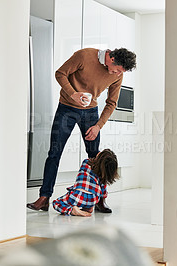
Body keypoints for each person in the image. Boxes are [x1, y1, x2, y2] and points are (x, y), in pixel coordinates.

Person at [27, 48, 136, 213]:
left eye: (121, 72)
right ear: (111, 58)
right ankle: (44, 198)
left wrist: (98, 125)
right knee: (54, 153)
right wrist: (73, 94)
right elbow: (60, 73)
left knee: (96, 157)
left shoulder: (118, 75)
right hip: (66, 109)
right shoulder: (84, 56)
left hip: (90, 114)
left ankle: (99, 199)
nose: (117, 74)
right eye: (117, 69)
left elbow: (111, 102)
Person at [52, 149, 119, 217]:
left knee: (56, 203)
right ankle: (88, 207)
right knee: (88, 193)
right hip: (93, 199)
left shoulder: (86, 162)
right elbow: (103, 191)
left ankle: (72, 210)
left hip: (78, 197)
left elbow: (79, 182)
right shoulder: (102, 174)